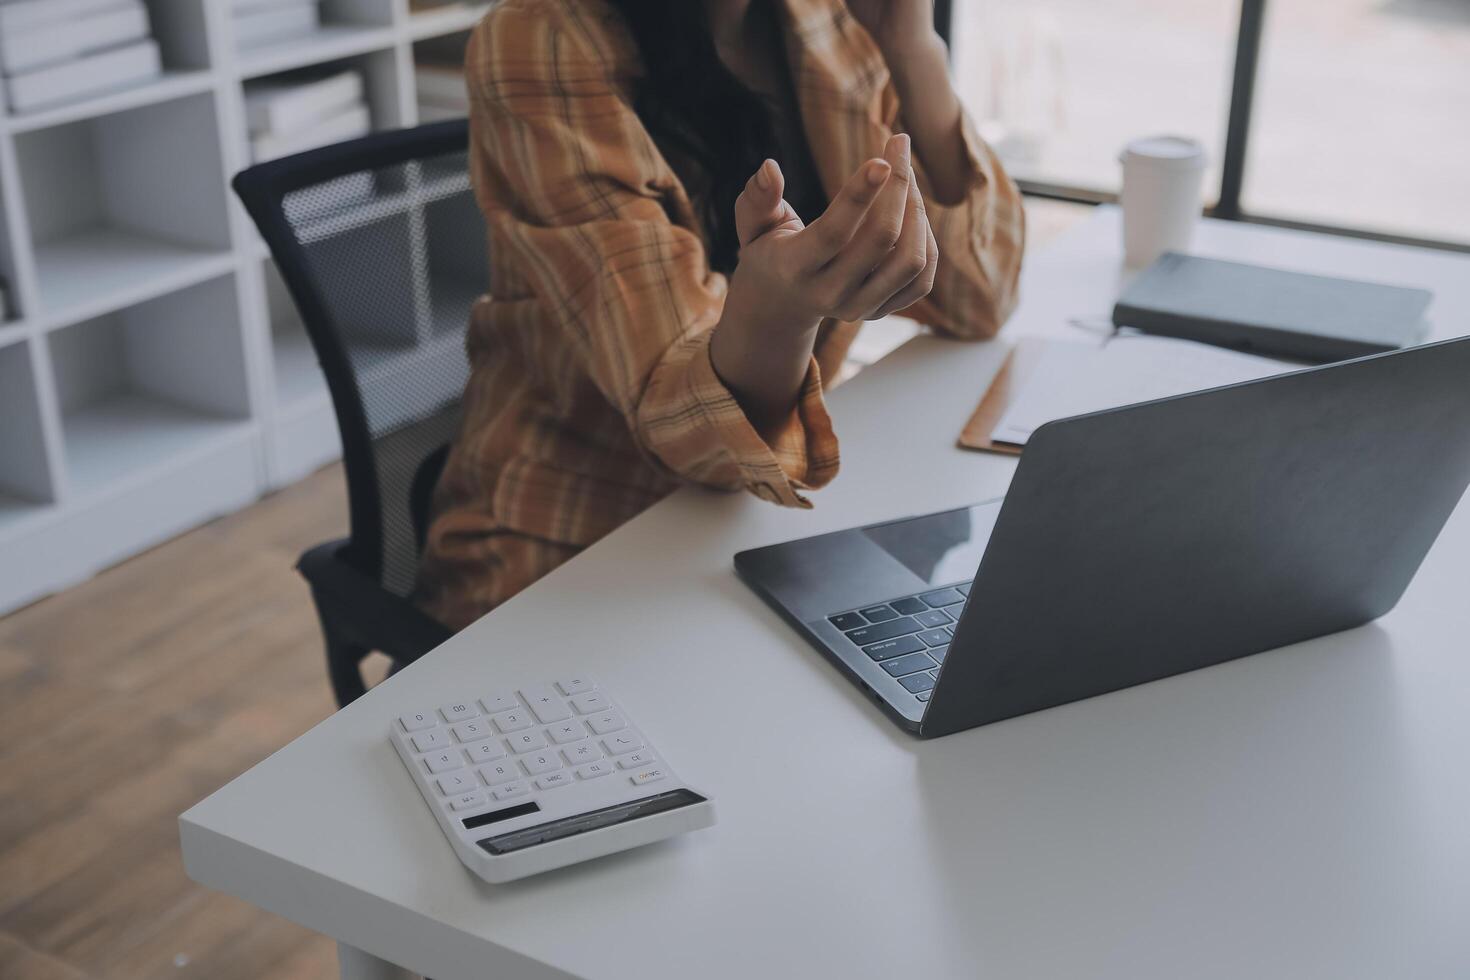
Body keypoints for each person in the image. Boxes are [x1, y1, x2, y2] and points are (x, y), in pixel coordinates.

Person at [415, 0, 1025, 630]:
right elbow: (687, 436)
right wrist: (778, 317)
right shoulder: (541, 37)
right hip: (566, 545)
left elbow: (981, 297)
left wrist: (912, 45)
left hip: (755, 528)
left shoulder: (825, 19)